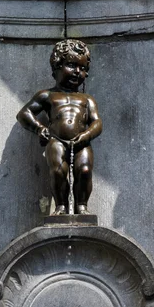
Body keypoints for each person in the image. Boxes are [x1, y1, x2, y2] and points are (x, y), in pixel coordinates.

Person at [17, 39, 102, 215]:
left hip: (82, 142)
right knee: (57, 170)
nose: (77, 72)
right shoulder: (47, 95)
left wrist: (86, 136)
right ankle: (61, 205)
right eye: (71, 65)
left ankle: (82, 206)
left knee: (85, 170)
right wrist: (39, 128)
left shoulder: (86, 99)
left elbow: (97, 122)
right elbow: (24, 114)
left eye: (83, 68)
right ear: (56, 67)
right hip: (56, 140)